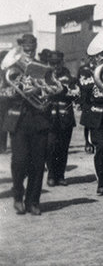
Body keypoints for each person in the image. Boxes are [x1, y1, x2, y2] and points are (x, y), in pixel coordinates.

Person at [2, 34, 52, 216]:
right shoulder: (10, 68)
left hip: (39, 119)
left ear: (36, 47)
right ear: (21, 47)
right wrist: (20, 90)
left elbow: (53, 89)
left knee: (38, 164)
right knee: (20, 161)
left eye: (32, 48)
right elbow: (3, 91)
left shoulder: (43, 67)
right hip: (18, 120)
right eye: (26, 48)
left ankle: (33, 201)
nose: (29, 51)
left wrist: (38, 89)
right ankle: (17, 195)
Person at [77, 55, 103, 195]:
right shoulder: (87, 73)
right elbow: (85, 94)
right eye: (97, 56)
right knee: (102, 149)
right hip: (97, 115)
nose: (100, 59)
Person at [45, 51, 77, 187]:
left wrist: (63, 91)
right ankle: (51, 175)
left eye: (58, 63)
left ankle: (61, 175)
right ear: (49, 63)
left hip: (65, 117)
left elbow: (76, 93)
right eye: (52, 63)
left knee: (63, 147)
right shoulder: (44, 76)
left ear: (62, 62)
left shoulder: (69, 76)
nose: (55, 66)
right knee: (50, 146)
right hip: (49, 116)